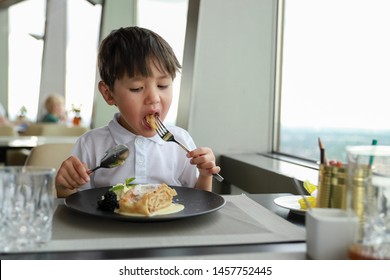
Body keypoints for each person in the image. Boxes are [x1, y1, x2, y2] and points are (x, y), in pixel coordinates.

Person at [55, 26, 221, 198]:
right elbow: (74, 205)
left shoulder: (181, 142)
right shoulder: (90, 145)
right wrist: (65, 186)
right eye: (137, 88)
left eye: (163, 85)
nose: (154, 98)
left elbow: (198, 202)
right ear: (108, 94)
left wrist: (205, 175)